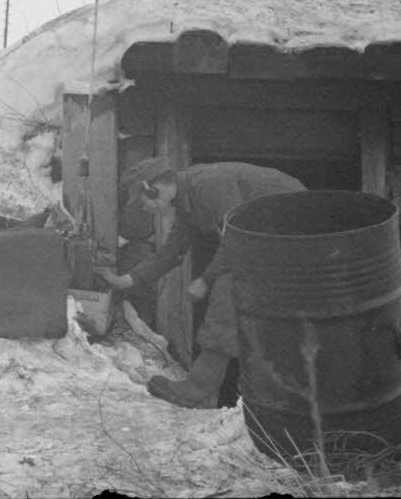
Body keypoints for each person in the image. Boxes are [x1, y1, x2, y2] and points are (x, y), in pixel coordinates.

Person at [95, 157, 306, 409]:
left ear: (153, 189)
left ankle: (199, 387)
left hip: (296, 222)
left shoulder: (209, 185)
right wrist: (124, 281)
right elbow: (171, 252)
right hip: (274, 232)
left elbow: (236, 239)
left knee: (228, 287)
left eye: (143, 201)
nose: (145, 209)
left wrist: (206, 279)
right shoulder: (187, 203)